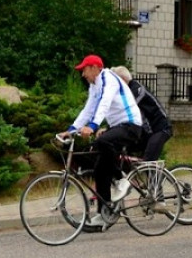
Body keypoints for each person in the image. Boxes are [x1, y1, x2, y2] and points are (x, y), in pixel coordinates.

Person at [57, 55, 143, 228]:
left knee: (102, 142)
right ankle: (104, 213)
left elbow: (104, 104)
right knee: (100, 169)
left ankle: (121, 180)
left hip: (131, 124)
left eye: (85, 70)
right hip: (118, 126)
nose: (83, 74)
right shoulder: (95, 86)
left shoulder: (108, 78)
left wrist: (93, 126)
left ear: (95, 67)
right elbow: (88, 109)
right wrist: (72, 129)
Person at [111, 66, 172, 161]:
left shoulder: (137, 89)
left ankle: (155, 175)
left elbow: (125, 110)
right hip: (147, 132)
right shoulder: (127, 91)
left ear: (122, 80)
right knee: (123, 153)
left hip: (160, 129)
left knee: (148, 160)